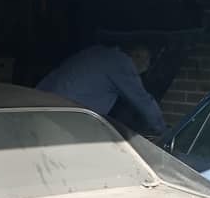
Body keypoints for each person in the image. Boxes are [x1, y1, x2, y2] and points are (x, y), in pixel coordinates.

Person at [36, 43, 167, 137]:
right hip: (63, 120)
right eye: (143, 59)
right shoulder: (121, 64)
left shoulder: (96, 51)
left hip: (39, 108)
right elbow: (142, 100)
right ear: (134, 56)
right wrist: (162, 130)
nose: (144, 63)